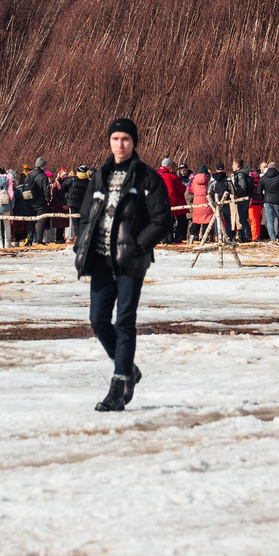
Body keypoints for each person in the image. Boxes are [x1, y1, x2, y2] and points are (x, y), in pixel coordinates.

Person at [75, 116, 172, 411]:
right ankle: (128, 367)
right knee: (98, 320)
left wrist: (139, 246)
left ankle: (119, 387)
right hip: (102, 259)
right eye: (115, 139)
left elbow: (162, 220)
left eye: (126, 139)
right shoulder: (100, 175)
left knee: (126, 321)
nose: (120, 144)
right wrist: (82, 243)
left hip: (131, 261)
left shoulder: (147, 177)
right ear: (109, 141)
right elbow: (85, 216)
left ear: (134, 142)